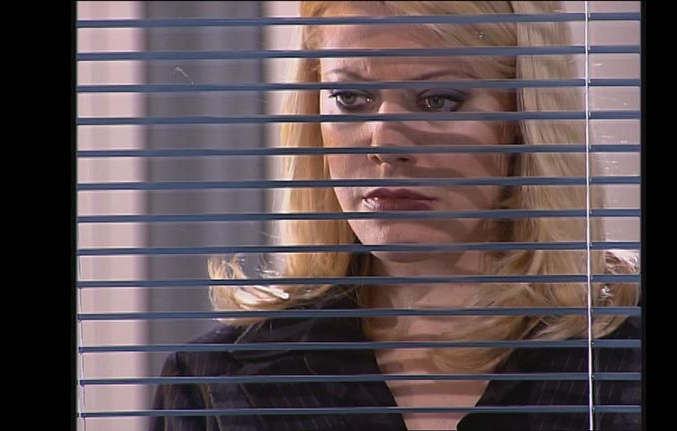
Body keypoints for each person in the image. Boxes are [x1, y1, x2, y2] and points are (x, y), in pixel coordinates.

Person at [150, 1, 641, 430]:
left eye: (438, 101)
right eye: (350, 99)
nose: (384, 143)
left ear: (523, 118)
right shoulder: (217, 385)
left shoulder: (620, 367)